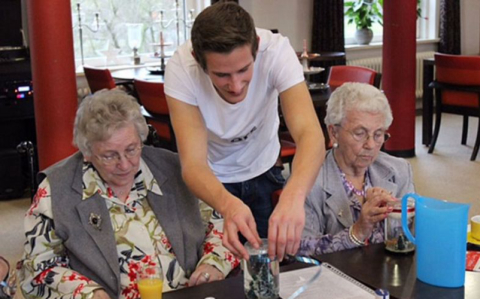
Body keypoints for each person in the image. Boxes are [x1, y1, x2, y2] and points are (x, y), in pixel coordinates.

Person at [18, 89, 238, 299]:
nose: (124, 164)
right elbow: (37, 267)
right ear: (86, 151)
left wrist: (214, 264)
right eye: (109, 155)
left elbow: (222, 223)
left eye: (132, 149)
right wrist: (86, 293)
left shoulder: (177, 170)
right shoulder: (57, 190)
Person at [164, 2, 324, 261]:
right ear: (198, 60)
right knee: (213, 272)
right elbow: (193, 164)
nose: (236, 86)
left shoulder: (276, 51)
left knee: (273, 266)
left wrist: (294, 196)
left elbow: (310, 134)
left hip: (263, 168)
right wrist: (227, 204)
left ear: (257, 48)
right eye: (222, 75)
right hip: (211, 181)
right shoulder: (182, 69)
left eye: (243, 70)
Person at [298, 83, 415, 256]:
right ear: (334, 132)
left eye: (378, 134)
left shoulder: (398, 170)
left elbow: (414, 234)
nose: (370, 145)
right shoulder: (308, 182)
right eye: (360, 133)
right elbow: (299, 250)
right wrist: (357, 231)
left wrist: (395, 212)